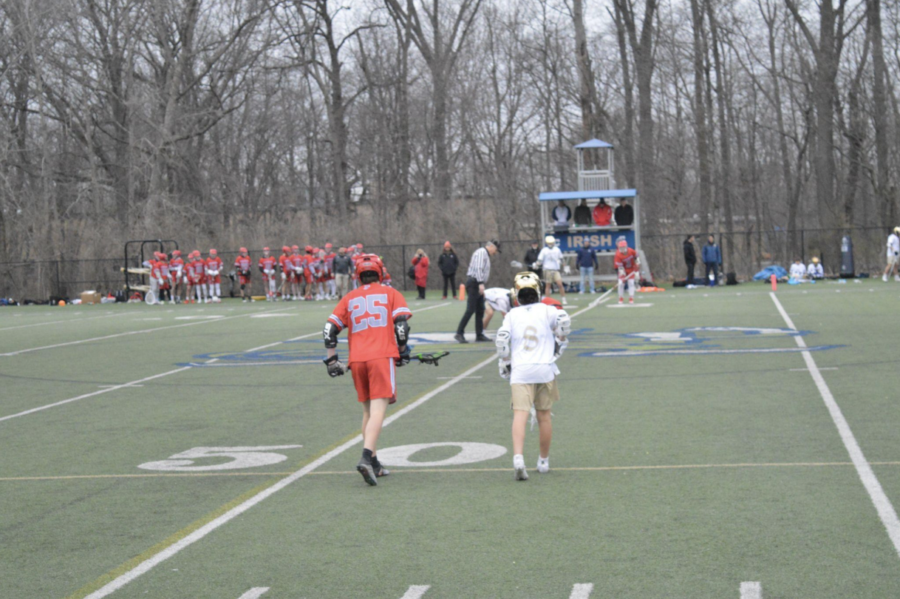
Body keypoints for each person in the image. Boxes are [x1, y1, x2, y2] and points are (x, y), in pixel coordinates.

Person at [323, 254, 412, 486]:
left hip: (357, 360)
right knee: (379, 411)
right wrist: (402, 351)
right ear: (380, 272)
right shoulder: (391, 293)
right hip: (381, 357)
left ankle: (374, 462)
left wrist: (331, 360)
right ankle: (365, 456)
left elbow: (329, 329)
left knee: (367, 412)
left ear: (358, 274)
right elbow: (401, 326)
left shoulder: (350, 298)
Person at [496, 271, 570, 481]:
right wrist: (560, 341)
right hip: (545, 369)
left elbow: (502, 342)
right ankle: (543, 461)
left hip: (521, 370)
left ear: (517, 293)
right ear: (537, 291)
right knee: (544, 416)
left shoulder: (512, 315)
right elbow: (564, 323)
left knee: (520, 414)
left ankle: (518, 458)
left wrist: (504, 361)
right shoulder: (547, 310)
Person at [455, 240, 500, 343]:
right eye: (496, 250)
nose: (495, 252)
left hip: (477, 283)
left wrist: (481, 284)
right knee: (470, 309)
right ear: (491, 246)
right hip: (474, 283)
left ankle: (479, 334)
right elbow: (478, 268)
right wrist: (480, 283)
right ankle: (459, 333)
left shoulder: (484, 254)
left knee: (480, 310)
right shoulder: (481, 252)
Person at [536, 235, 567, 305]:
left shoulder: (557, 249)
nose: (550, 244)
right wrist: (537, 264)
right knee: (548, 285)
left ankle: (563, 298)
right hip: (547, 270)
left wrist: (564, 265)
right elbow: (540, 259)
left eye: (551, 243)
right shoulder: (544, 250)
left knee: (560, 284)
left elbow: (561, 258)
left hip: (555, 270)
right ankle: (548, 300)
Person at [614, 236, 640, 304]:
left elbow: (637, 257)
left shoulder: (631, 251)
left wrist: (637, 263)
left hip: (631, 269)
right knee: (621, 284)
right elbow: (620, 267)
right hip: (623, 269)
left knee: (631, 283)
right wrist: (623, 276)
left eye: (623, 247)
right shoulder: (618, 254)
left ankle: (631, 298)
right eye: (621, 248)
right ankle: (621, 298)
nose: (622, 249)